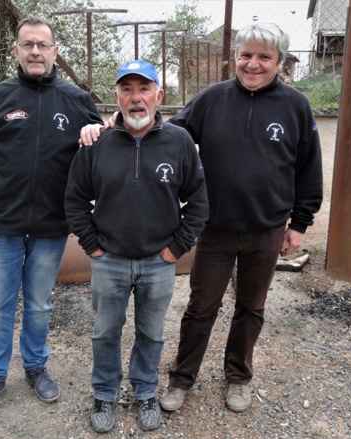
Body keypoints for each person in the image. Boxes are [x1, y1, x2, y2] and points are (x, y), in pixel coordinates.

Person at [79, 23, 323, 414]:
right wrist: (115, 124)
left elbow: (309, 169)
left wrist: (299, 224)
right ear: (235, 57)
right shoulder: (212, 98)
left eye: (264, 57)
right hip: (215, 229)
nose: (253, 64)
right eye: (246, 54)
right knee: (201, 307)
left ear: (280, 62)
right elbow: (163, 132)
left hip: (267, 228)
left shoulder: (296, 106)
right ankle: (181, 379)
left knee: (251, 308)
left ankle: (238, 377)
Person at [0, 16, 103, 420]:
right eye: (28, 45)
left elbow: (99, 150)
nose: (36, 51)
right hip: (2, 224)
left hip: (51, 225)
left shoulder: (76, 99)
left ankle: (35, 367)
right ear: (17, 51)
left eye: (43, 45)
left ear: (55, 51)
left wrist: (96, 131)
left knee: (40, 305)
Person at [65, 60, 208, 433]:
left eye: (144, 89)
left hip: (158, 262)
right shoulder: (96, 142)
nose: (136, 98)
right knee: (104, 333)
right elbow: (74, 199)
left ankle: (145, 391)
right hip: (108, 260)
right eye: (127, 90)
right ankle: (104, 394)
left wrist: (175, 249)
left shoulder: (179, 142)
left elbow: (199, 202)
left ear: (159, 96)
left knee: (151, 333)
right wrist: (93, 246)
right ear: (116, 97)